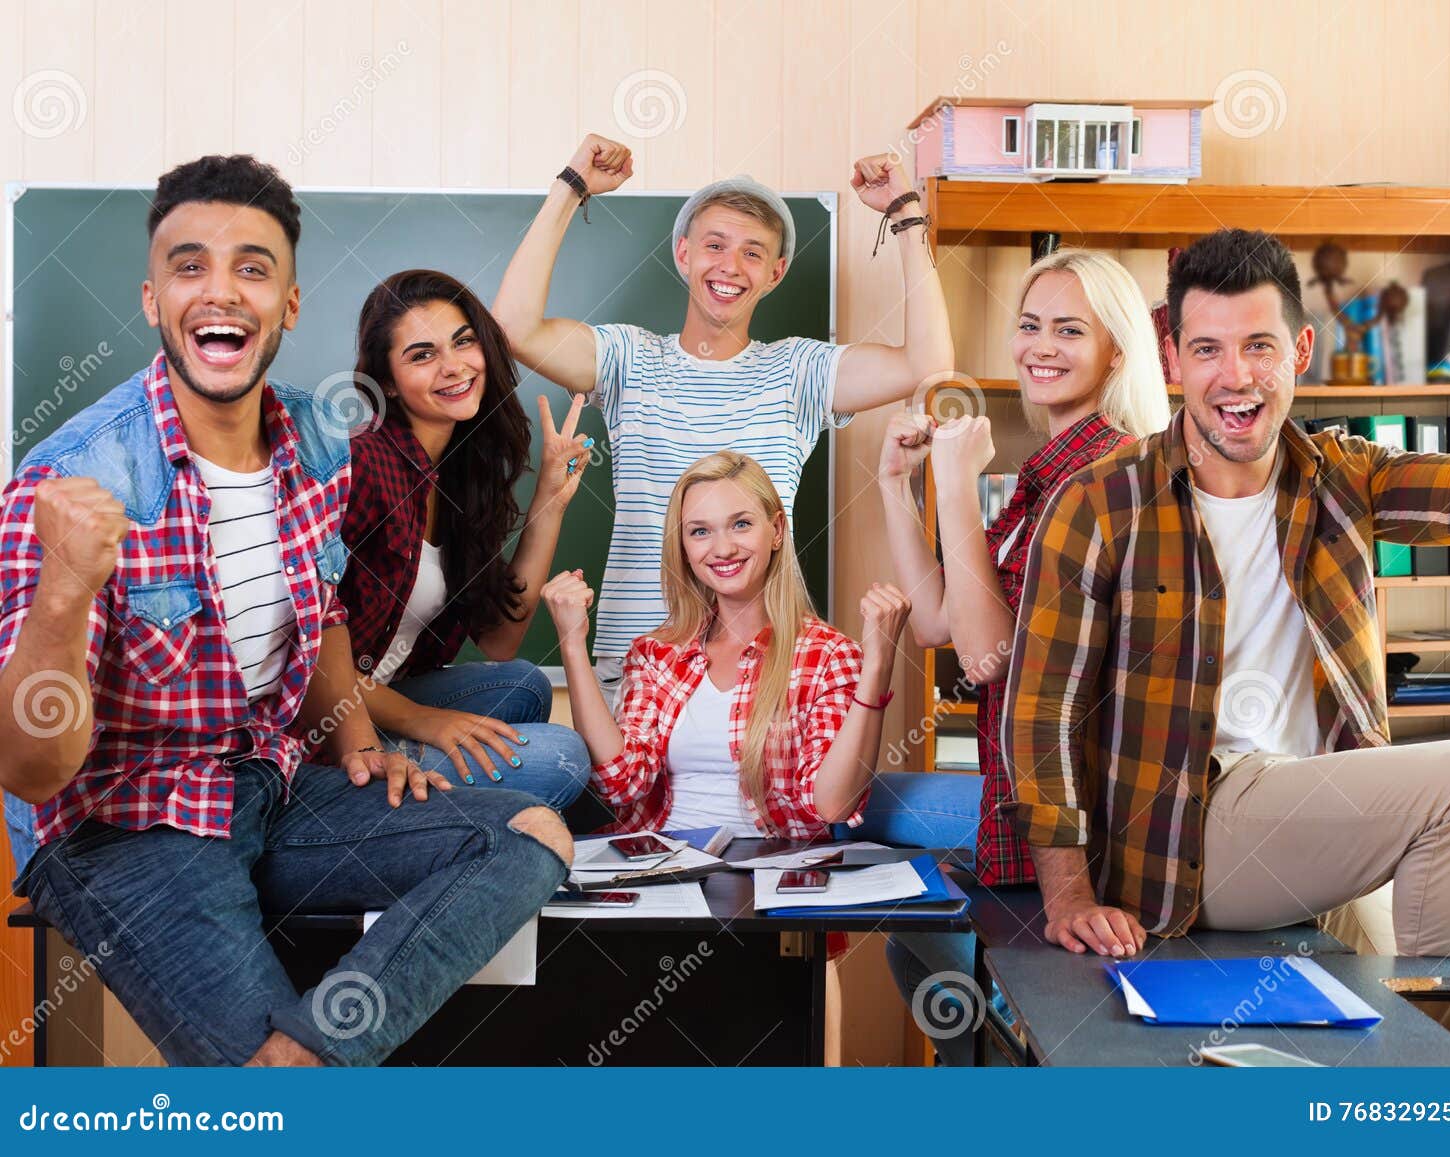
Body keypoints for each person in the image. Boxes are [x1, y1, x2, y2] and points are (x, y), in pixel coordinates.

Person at [0, 155, 573, 1067]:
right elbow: (32, 770)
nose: (219, 291)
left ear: (290, 306)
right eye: (189, 266)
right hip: (125, 824)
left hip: (269, 784)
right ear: (153, 299)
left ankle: (300, 1066)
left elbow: (324, 616)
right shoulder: (73, 477)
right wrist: (65, 594)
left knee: (531, 834)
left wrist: (357, 744)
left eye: (252, 267)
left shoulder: (315, 439)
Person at [1005, 227, 1450, 1065]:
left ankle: (1440, 1052)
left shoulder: (1344, 476)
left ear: (1301, 351)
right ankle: (1420, 1055)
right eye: (1206, 348)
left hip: (1320, 818)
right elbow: (1041, 712)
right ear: (1172, 359)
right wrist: (1068, 894)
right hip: (1192, 837)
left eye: (1259, 347)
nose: (1234, 377)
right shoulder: (1101, 501)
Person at [494, 134, 953, 707]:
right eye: (715, 245)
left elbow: (928, 364)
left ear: (776, 273)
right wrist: (572, 187)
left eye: (753, 253)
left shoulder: (798, 370)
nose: (730, 266)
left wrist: (904, 212)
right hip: (638, 660)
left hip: (765, 661)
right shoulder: (627, 358)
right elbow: (510, 329)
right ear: (684, 255)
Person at [871, 248, 1170, 1064]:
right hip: (1014, 783)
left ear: (1117, 351)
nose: (1041, 345)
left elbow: (988, 653)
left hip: (1062, 803)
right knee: (908, 923)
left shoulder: (1101, 478)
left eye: (1070, 330)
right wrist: (900, 487)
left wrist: (960, 485)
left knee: (936, 940)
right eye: (1030, 325)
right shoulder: (1048, 477)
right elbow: (938, 622)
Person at [542, 451, 911, 838]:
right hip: (659, 867)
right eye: (700, 531)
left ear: (777, 531)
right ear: (683, 546)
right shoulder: (655, 655)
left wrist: (877, 668)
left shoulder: (828, 656)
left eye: (741, 524)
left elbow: (833, 805)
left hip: (767, 869)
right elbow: (620, 783)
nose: (722, 549)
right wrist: (571, 645)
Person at [327, 269, 592, 804]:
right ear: (389, 382)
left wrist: (549, 498)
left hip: (388, 694)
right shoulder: (362, 462)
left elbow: (500, 641)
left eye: (463, 341)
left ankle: (430, 790)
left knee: (524, 684)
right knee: (562, 759)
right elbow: (307, 653)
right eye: (422, 355)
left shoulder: (458, 472)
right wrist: (426, 722)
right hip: (326, 722)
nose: (454, 366)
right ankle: (377, 789)